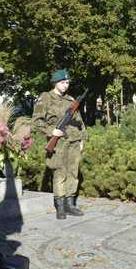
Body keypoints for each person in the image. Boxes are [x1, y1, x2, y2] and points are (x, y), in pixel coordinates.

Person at [32, 69, 87, 220]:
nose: (65, 86)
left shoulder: (71, 100)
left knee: (73, 174)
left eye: (67, 83)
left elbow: (80, 122)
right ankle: (60, 206)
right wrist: (52, 132)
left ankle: (70, 205)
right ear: (55, 83)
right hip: (58, 144)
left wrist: (83, 140)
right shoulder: (46, 98)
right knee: (59, 174)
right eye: (62, 83)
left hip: (74, 142)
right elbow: (36, 122)